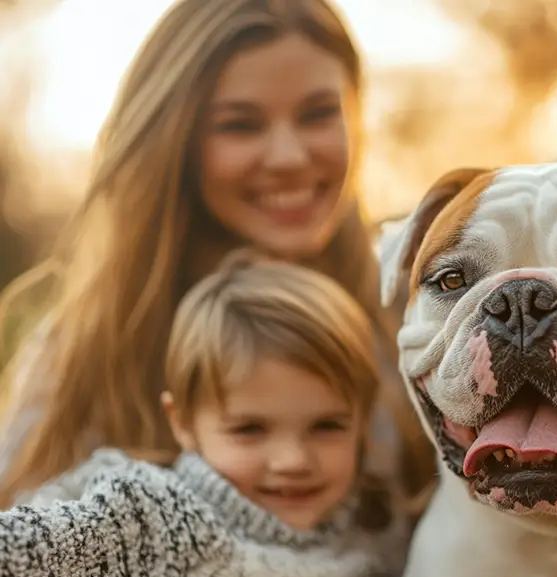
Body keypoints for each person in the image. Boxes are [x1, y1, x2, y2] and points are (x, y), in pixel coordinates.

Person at [0, 0, 435, 512]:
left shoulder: (412, 308)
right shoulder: (90, 348)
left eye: (318, 114)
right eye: (240, 125)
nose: (290, 158)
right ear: (177, 141)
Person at [0, 253, 406, 577]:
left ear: (363, 419)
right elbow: (29, 559)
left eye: (326, 426)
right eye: (249, 430)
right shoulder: (155, 511)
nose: (293, 461)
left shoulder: (371, 521)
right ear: (183, 423)